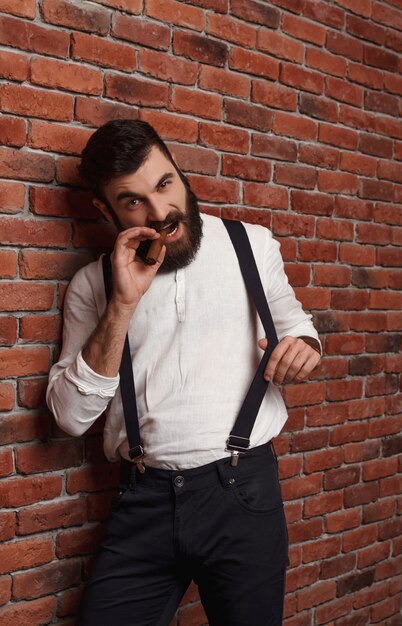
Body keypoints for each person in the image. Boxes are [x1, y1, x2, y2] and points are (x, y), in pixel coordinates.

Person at [47, 119, 321, 626]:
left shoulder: (250, 245)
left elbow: (296, 326)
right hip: (143, 500)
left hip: (242, 493)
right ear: (105, 211)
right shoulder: (93, 286)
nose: (159, 213)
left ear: (179, 171)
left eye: (164, 184)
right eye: (133, 202)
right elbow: (70, 417)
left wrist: (303, 347)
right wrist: (122, 304)